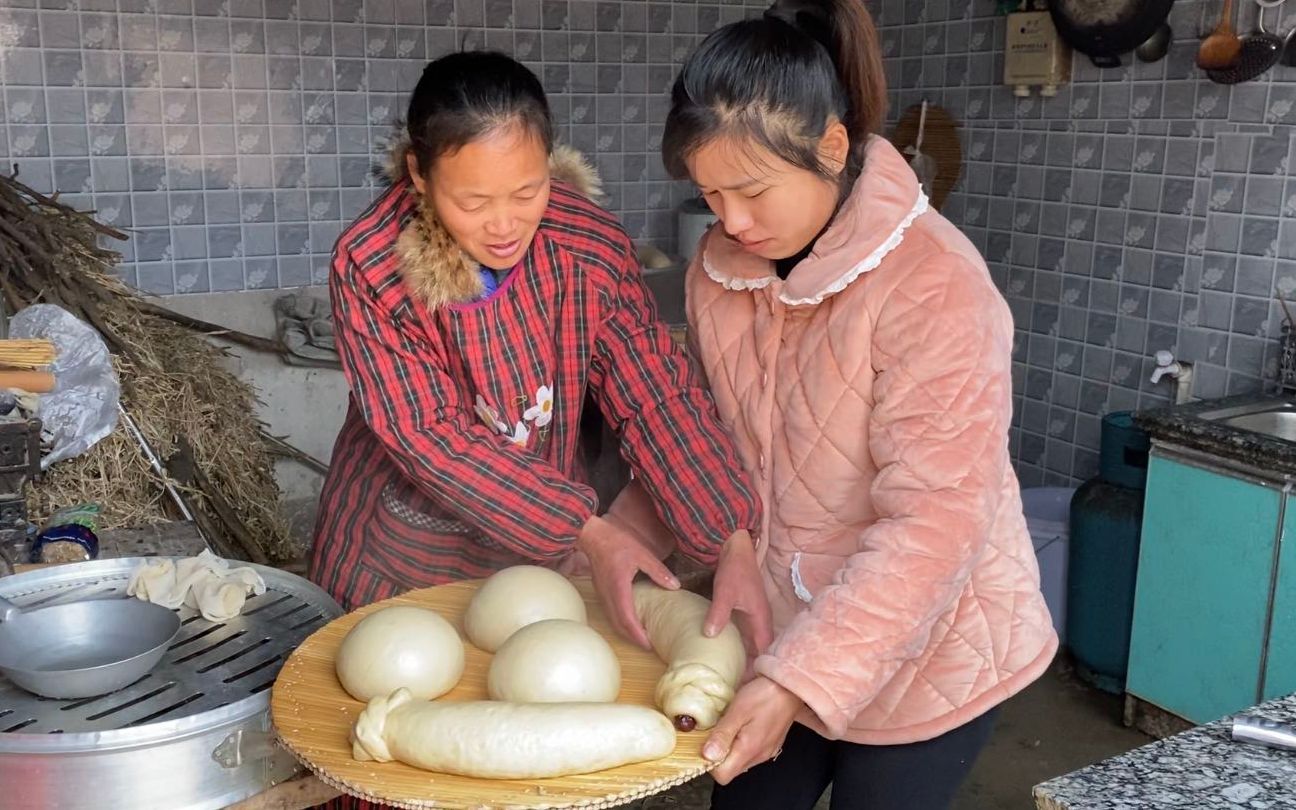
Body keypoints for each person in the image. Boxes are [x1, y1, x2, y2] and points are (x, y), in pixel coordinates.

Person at [654, 1, 1060, 807]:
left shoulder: (934, 284)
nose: (728, 221)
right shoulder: (720, 268)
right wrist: (630, 533)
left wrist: (800, 681)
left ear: (831, 148)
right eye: (709, 193)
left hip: (931, 645)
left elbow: (936, 523)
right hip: (782, 621)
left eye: (751, 190)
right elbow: (710, 434)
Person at [308, 50, 772, 685]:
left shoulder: (587, 246)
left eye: (527, 192)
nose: (503, 225)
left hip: (534, 545)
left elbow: (656, 395)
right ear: (418, 174)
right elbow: (430, 435)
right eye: (472, 202)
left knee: (524, 702)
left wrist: (730, 535)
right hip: (401, 548)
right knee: (386, 712)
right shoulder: (370, 264)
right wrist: (586, 528)